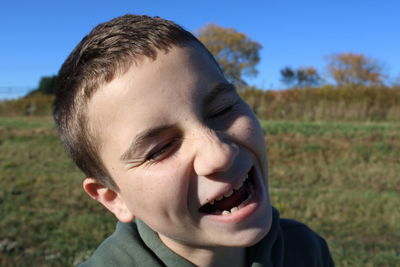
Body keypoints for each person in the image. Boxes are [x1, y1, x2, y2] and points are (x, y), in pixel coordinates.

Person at [53, 14, 334, 267]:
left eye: (222, 108)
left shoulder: (305, 249)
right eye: (160, 149)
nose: (220, 154)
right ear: (114, 197)